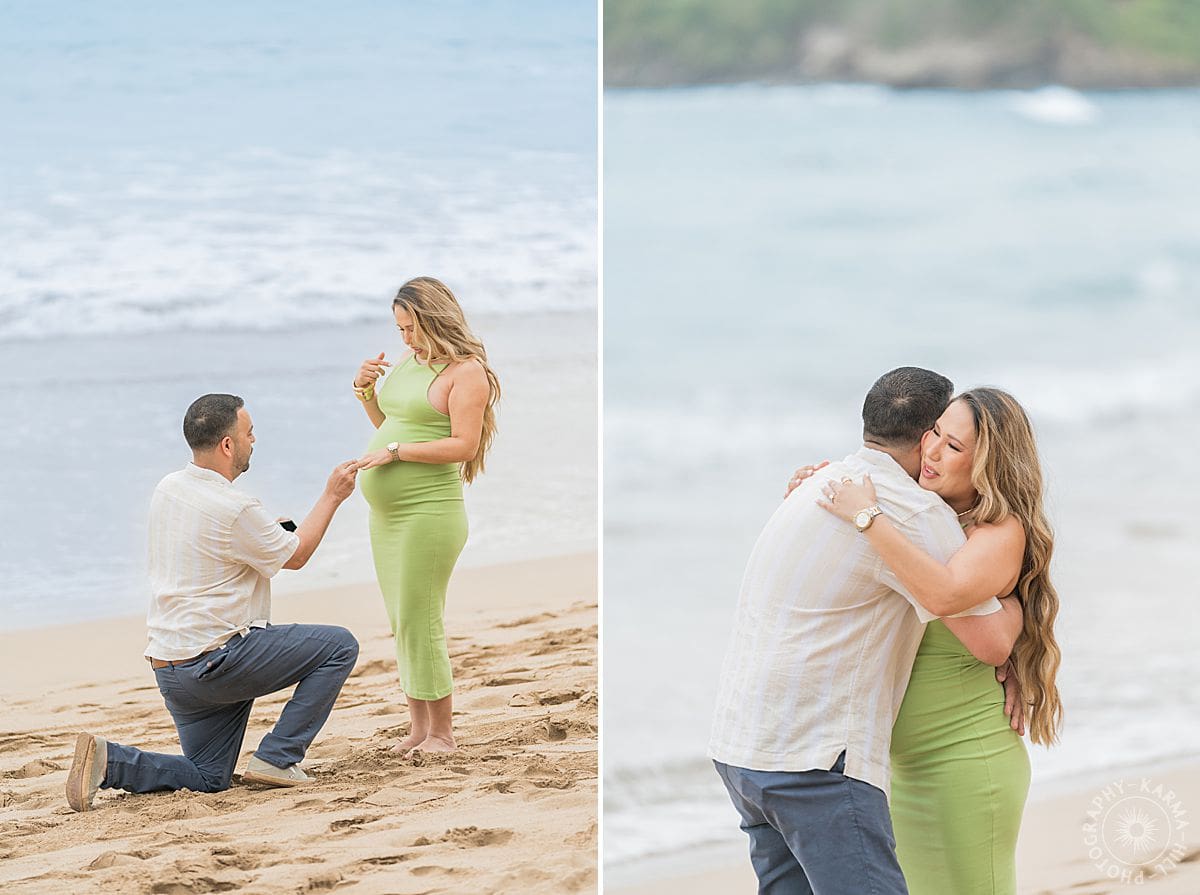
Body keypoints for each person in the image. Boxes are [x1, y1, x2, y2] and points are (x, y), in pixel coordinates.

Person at [708, 367, 1020, 895]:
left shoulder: (819, 487)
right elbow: (990, 641)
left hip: (742, 750)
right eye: (939, 435)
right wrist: (1016, 599)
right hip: (814, 764)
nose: (940, 450)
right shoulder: (912, 512)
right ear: (925, 436)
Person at [808, 386, 1061, 895]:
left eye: (954, 448)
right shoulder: (923, 511)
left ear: (989, 465)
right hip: (902, 770)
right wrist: (819, 485)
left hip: (964, 762)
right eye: (934, 436)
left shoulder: (997, 532)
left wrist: (865, 517)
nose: (931, 453)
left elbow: (945, 595)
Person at [65, 394, 361, 812]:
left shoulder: (169, 488)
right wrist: (333, 495)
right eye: (248, 432)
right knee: (339, 645)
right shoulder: (236, 507)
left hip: (172, 669)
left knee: (208, 776)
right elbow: (295, 556)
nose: (254, 440)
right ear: (227, 444)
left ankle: (110, 761)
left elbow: (206, 547)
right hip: (217, 663)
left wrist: (264, 535)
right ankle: (278, 758)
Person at [351, 277, 500, 755]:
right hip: (388, 517)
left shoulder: (466, 373)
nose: (406, 338)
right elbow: (392, 425)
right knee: (402, 619)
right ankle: (418, 729)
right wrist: (364, 390)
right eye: (399, 329)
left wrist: (394, 453)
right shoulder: (410, 364)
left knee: (422, 619)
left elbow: (463, 445)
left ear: (434, 320)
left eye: (411, 327)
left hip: (429, 514)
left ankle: (443, 734)